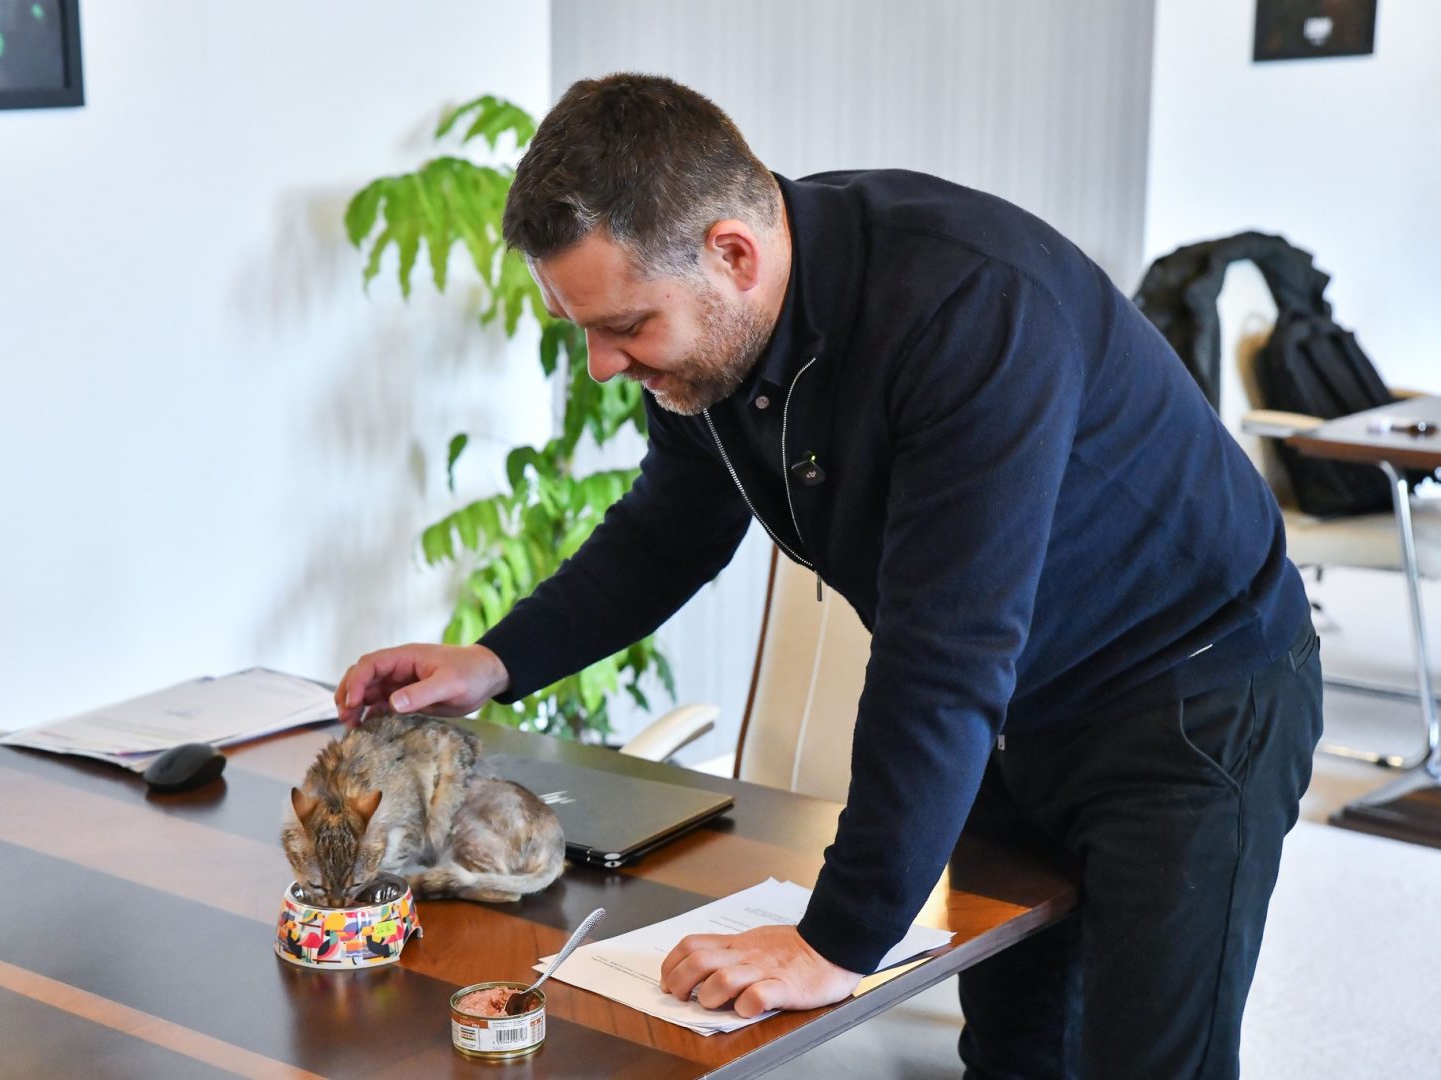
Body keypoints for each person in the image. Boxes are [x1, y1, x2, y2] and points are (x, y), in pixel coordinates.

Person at [335, 74, 1322, 1079]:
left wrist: (836, 941)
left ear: (733, 254)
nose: (601, 365)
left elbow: (946, 653)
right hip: (1018, 708)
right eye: (580, 327)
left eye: (625, 325)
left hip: (1190, 690)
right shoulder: (715, 343)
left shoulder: (967, 305)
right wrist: (496, 659)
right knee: (1018, 1051)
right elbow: (670, 531)